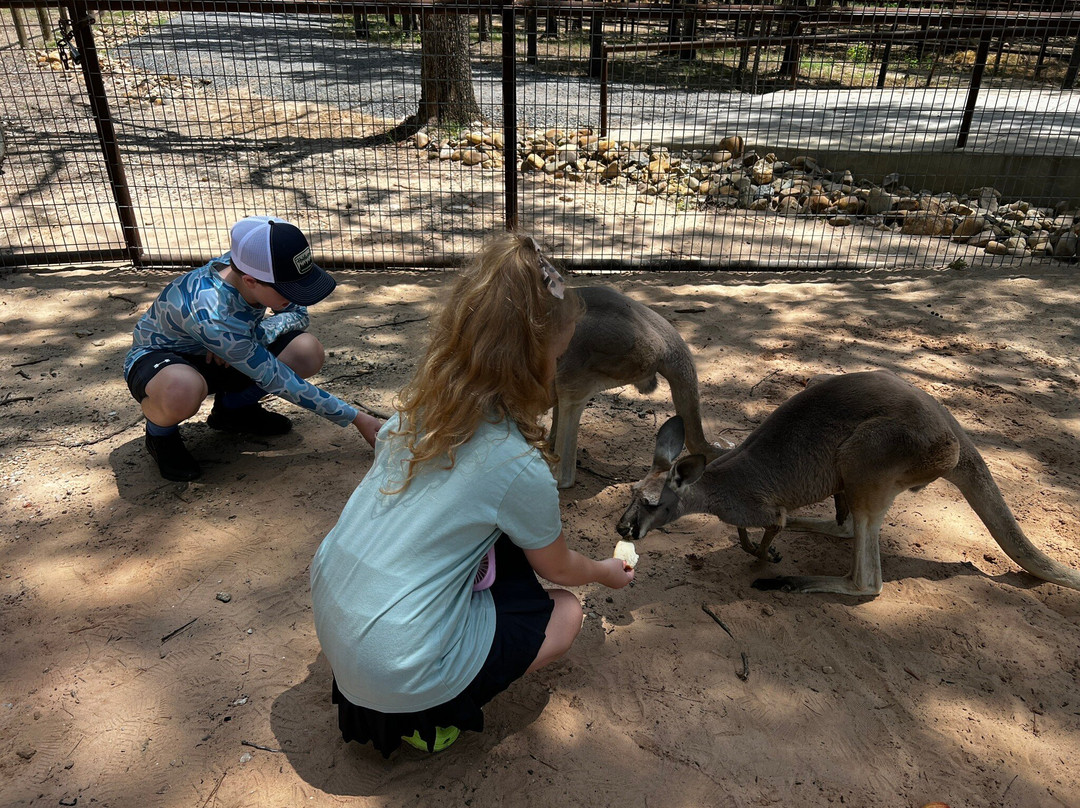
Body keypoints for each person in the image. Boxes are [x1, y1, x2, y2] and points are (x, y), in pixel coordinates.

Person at [309, 232, 634, 757]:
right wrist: (603, 571)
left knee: (492, 544)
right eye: (558, 354)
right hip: (397, 666)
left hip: (338, 621)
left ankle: (417, 679)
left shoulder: (416, 414)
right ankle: (434, 710)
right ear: (535, 361)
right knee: (567, 612)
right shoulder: (516, 463)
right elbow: (557, 568)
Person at [123, 215, 382, 481]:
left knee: (306, 351)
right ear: (250, 281)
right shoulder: (213, 312)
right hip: (163, 361)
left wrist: (258, 333)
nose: (295, 297)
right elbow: (276, 378)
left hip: (227, 353)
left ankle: (233, 411)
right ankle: (160, 436)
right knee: (181, 388)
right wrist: (355, 418)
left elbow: (300, 315)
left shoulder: (251, 263)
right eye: (287, 290)